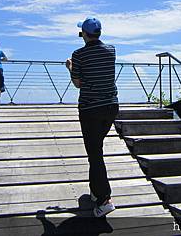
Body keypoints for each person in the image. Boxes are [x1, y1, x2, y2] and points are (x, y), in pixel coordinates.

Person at [66, 17, 119, 218]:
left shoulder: (78, 55)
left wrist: (70, 67)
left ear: (84, 34)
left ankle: (105, 199)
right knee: (96, 148)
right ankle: (96, 192)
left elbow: (77, 83)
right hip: (111, 107)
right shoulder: (111, 50)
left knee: (95, 153)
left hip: (90, 109)